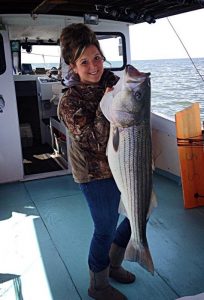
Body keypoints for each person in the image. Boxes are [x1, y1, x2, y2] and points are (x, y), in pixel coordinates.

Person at [58, 23, 135, 300]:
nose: (94, 67)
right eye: (84, 62)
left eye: (97, 58)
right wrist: (107, 106)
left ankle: (114, 264)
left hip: (124, 164)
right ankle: (98, 284)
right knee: (105, 227)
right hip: (94, 173)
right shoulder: (69, 101)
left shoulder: (114, 83)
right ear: (72, 65)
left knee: (141, 213)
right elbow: (93, 141)